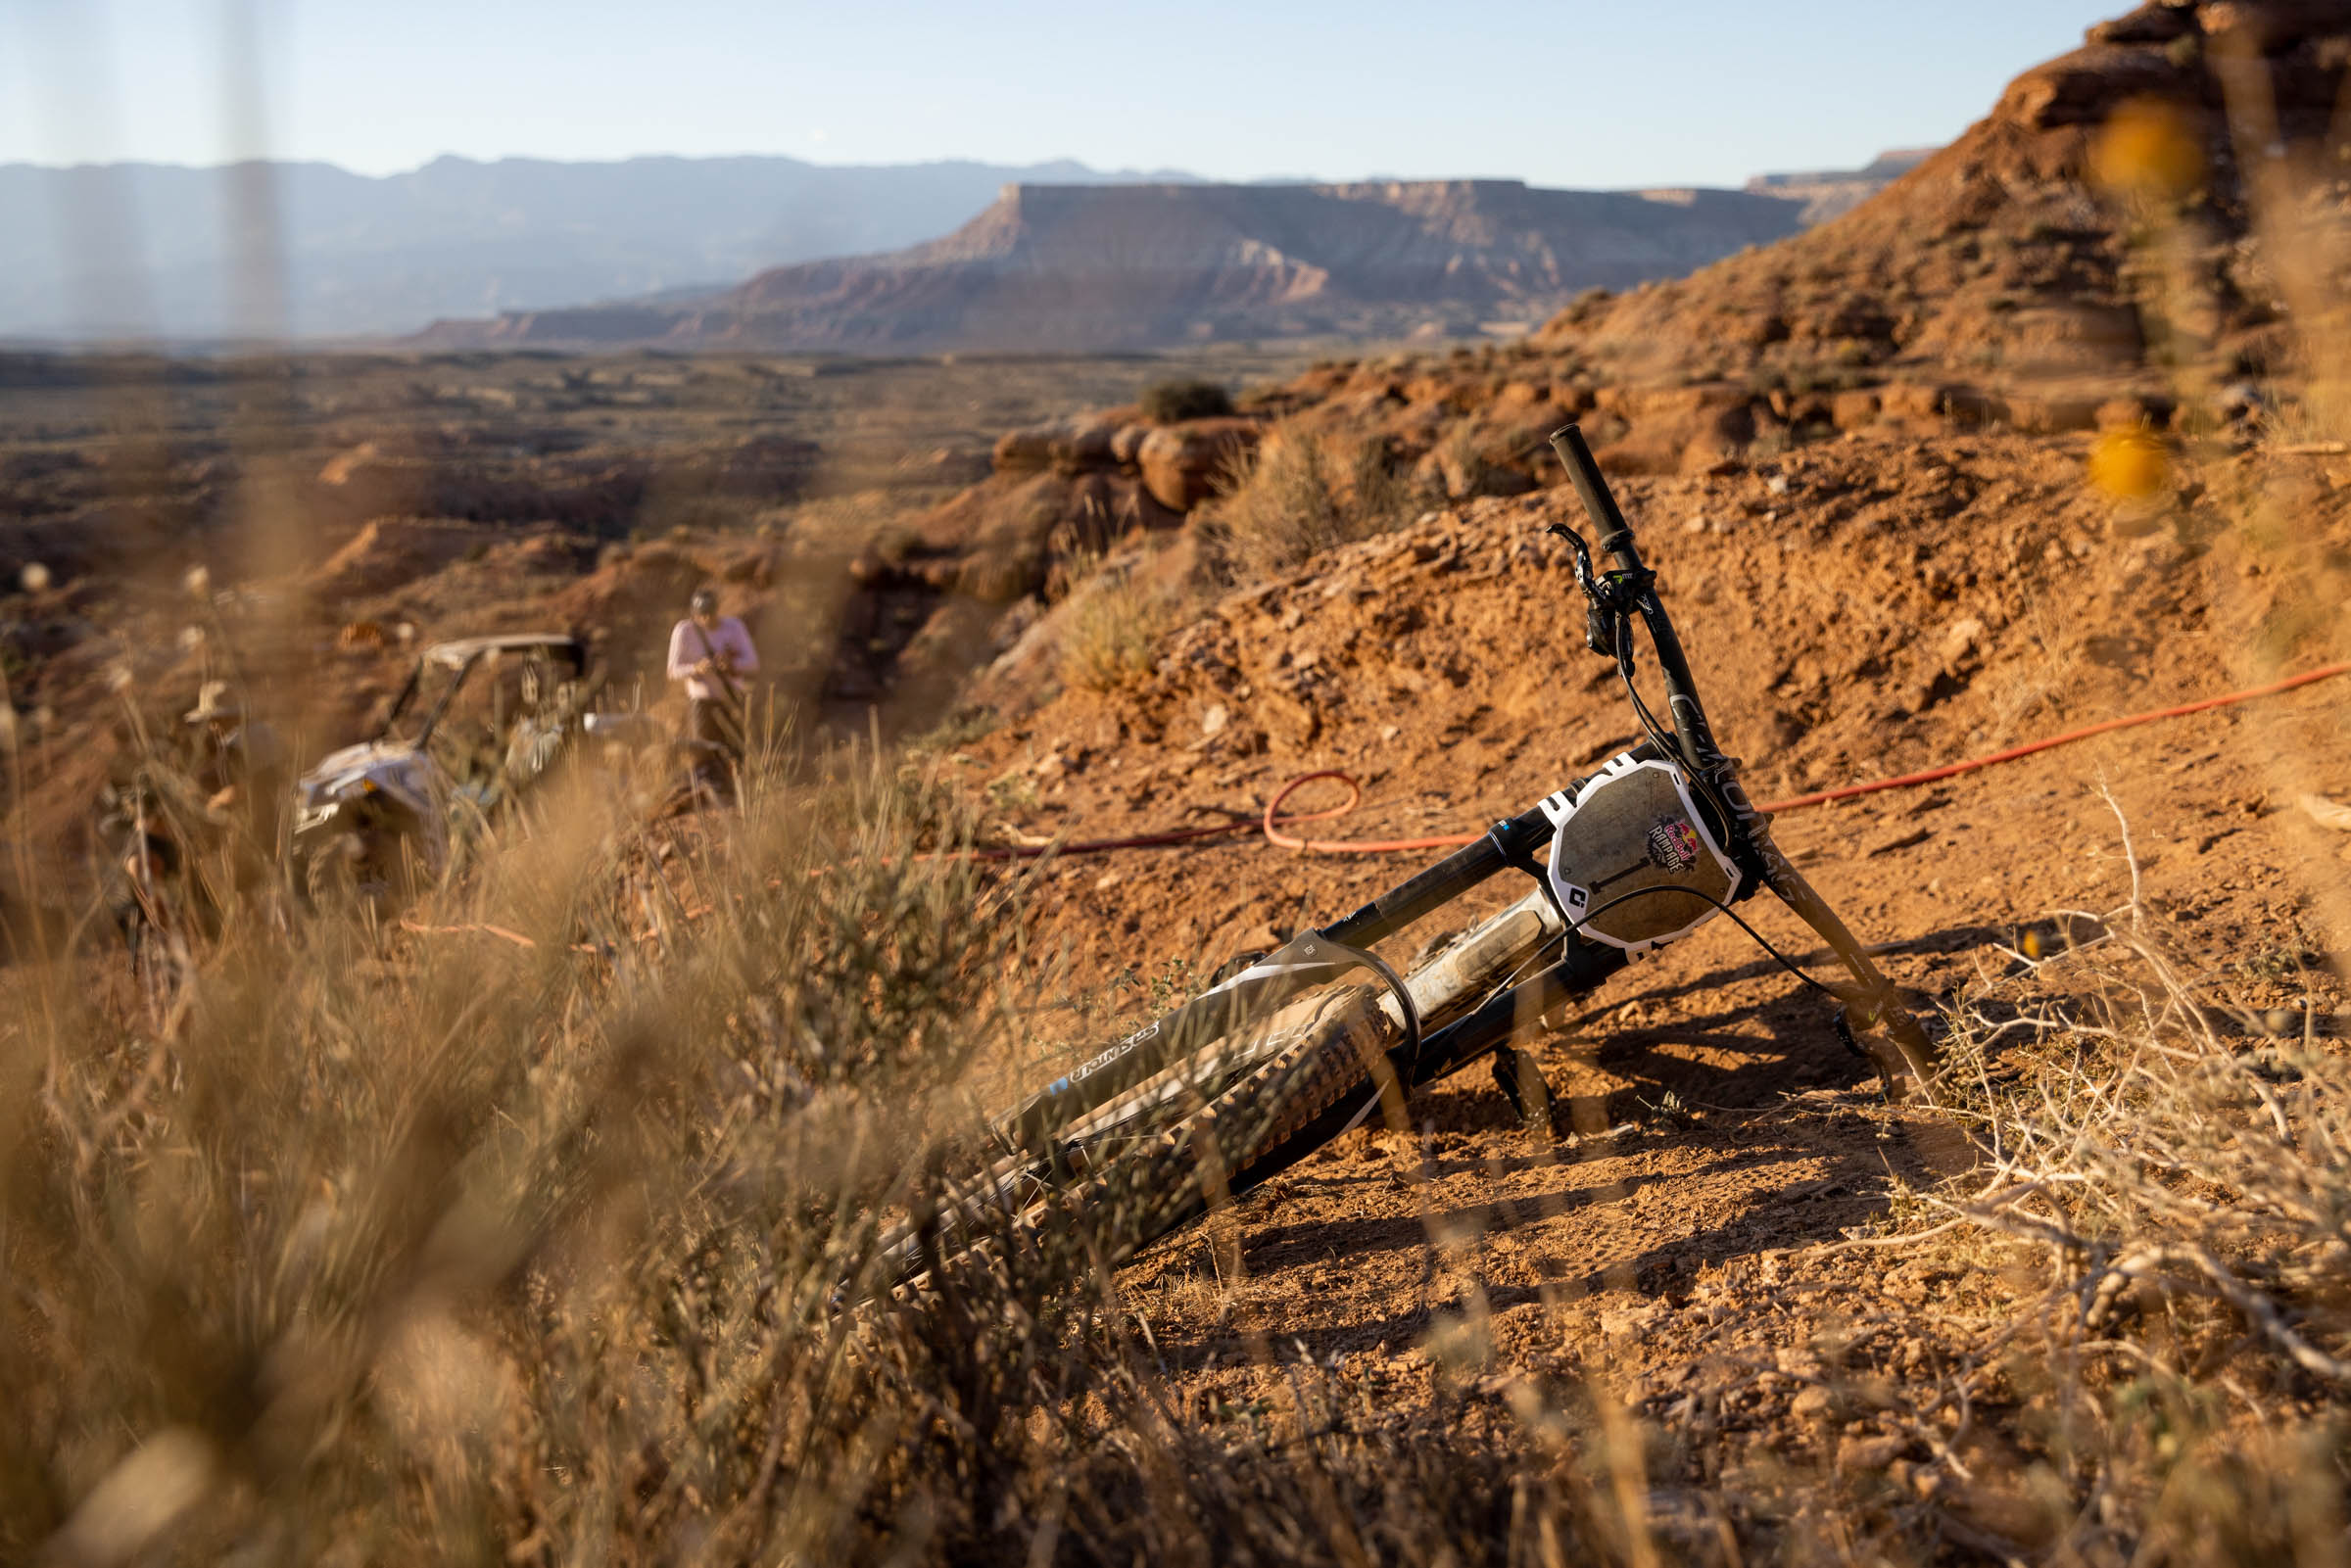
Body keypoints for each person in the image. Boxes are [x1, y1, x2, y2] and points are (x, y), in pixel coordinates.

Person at [666, 588, 757, 768]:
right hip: (702, 704)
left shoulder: (734, 627)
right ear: (694, 614)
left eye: (710, 614)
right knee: (704, 755)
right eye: (702, 615)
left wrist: (732, 666)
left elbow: (752, 664)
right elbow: (673, 671)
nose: (706, 619)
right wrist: (696, 669)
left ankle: (735, 790)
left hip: (731, 701)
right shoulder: (684, 631)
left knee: (736, 754)